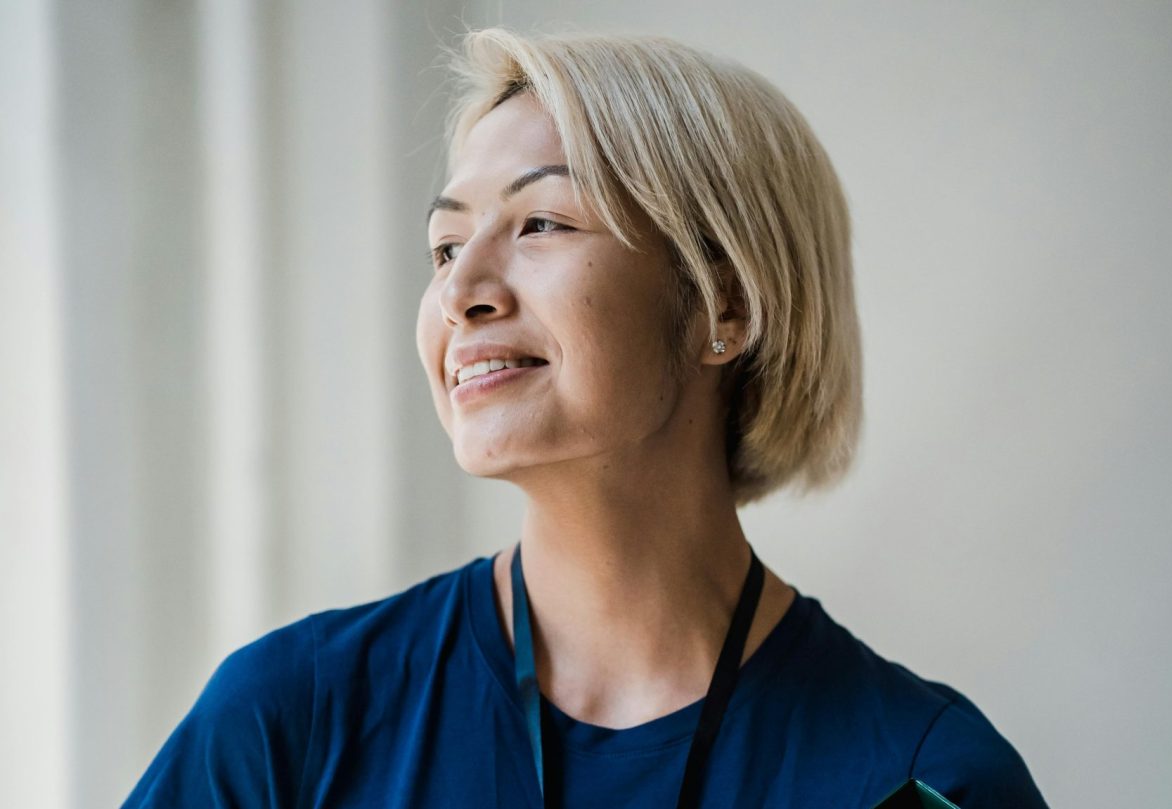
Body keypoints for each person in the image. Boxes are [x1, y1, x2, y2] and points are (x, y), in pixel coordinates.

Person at [123, 28, 1050, 808]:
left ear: (725, 307)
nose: (460, 291)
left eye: (541, 224)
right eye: (445, 245)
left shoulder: (921, 780)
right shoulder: (291, 720)